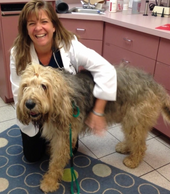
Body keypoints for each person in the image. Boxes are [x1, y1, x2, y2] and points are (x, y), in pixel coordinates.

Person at [10, 0, 117, 162]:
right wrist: (28, 115)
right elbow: (18, 93)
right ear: (26, 29)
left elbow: (106, 69)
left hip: (62, 111)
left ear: (54, 25)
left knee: (69, 151)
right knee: (32, 157)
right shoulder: (17, 53)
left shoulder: (70, 45)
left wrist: (98, 111)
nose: (38, 28)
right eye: (32, 23)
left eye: (44, 21)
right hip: (35, 114)